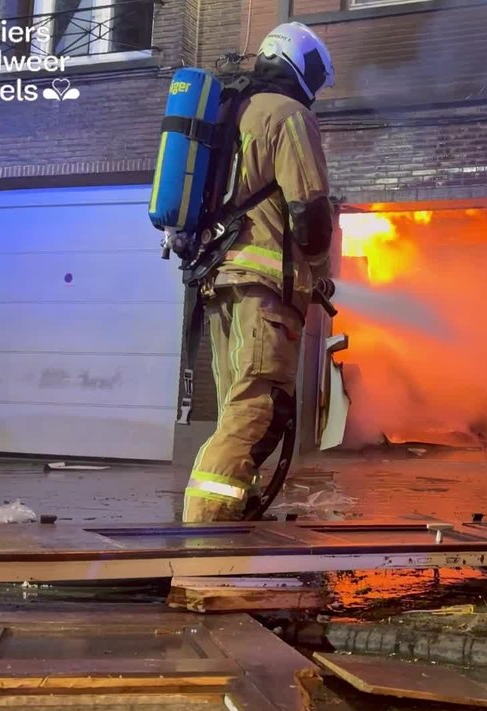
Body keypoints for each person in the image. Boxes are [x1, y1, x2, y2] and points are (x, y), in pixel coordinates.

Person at [183, 21, 338, 522]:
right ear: (302, 64)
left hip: (222, 282)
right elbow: (310, 211)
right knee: (255, 406)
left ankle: (236, 509)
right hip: (265, 288)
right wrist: (317, 269)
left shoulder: (234, 112)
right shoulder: (288, 114)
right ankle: (204, 529)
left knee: (242, 405)